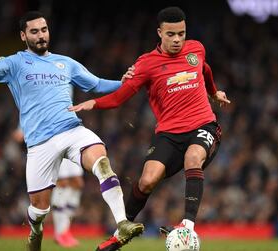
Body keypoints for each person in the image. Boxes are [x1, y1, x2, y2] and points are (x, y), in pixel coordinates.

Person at [0, 11, 144, 251]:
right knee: (40, 210)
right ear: (23, 36)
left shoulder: (66, 63)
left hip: (71, 130)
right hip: (40, 143)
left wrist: (125, 83)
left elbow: (96, 84)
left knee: (101, 162)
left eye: (44, 30)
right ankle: (36, 231)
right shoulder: (14, 63)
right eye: (34, 31)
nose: (41, 35)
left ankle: (122, 222)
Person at [69, 6, 231, 251]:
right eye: (171, 34)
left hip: (203, 124)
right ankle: (120, 233)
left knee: (193, 157)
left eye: (181, 33)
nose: (177, 39)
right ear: (159, 33)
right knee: (146, 181)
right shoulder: (146, 64)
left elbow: (204, 69)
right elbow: (121, 96)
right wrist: (94, 102)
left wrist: (213, 91)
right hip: (169, 133)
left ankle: (187, 226)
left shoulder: (196, 48)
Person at [13, 127, 83, 248]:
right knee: (62, 183)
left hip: (71, 140)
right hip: (55, 144)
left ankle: (65, 230)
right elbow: (20, 131)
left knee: (78, 183)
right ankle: (60, 233)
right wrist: (21, 131)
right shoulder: (35, 109)